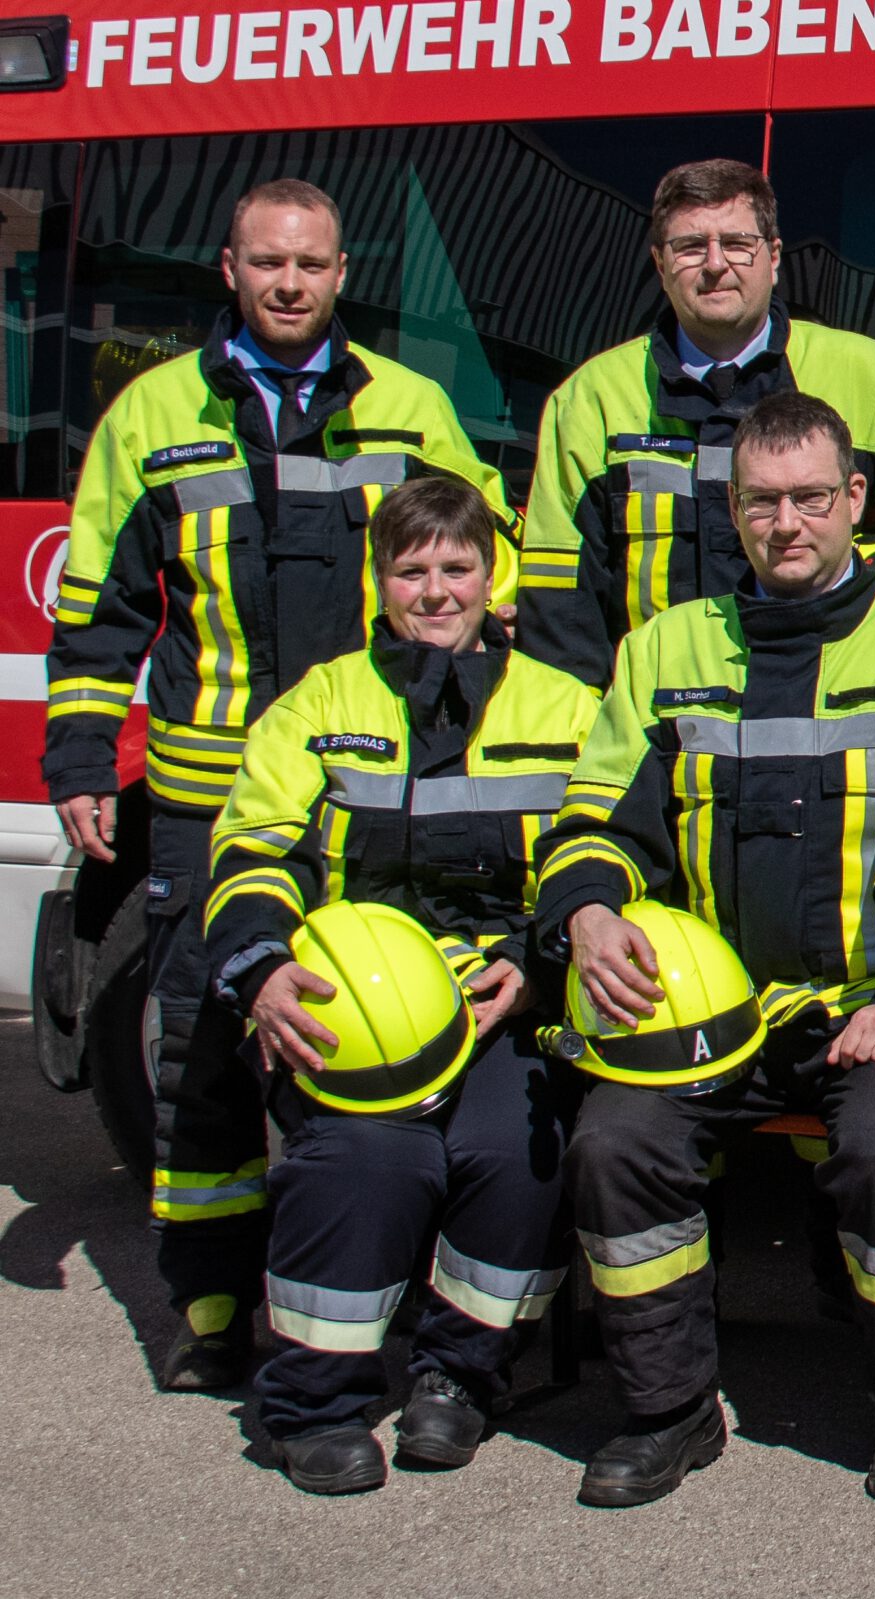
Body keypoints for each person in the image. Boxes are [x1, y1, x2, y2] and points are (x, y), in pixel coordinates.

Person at [43, 178, 515, 1392]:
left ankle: (357, 1286)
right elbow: (100, 606)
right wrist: (83, 754)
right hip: (208, 803)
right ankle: (208, 1307)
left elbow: (486, 563)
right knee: (203, 1057)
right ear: (231, 269)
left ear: (342, 272)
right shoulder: (153, 413)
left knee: (368, 1025)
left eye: (310, 263)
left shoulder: (409, 407)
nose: (289, 283)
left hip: (362, 789)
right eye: (267, 262)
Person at [532, 391, 875, 1509]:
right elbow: (597, 818)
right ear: (732, 511)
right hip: (706, 1014)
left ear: (857, 500)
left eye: (811, 499)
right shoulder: (665, 648)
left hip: (874, 1008)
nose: (788, 524)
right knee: (613, 1146)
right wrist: (586, 912)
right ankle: (668, 1409)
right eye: (763, 502)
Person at [202, 478, 593, 1494]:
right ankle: (315, 1404)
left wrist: (537, 963)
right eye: (411, 570)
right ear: (379, 582)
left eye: (456, 567)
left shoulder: (564, 707)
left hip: (499, 1008)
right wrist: (263, 968)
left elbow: (595, 860)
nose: (435, 591)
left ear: (491, 575)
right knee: (369, 1162)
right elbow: (253, 851)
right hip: (350, 1013)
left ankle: (459, 1376)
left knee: (513, 1154)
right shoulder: (321, 702)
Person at [517, 159, 875, 689]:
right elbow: (558, 605)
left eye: (737, 243)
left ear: (774, 256)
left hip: (840, 706)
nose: (715, 264)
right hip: (662, 715)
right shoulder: (592, 400)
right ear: (659, 263)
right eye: (690, 247)